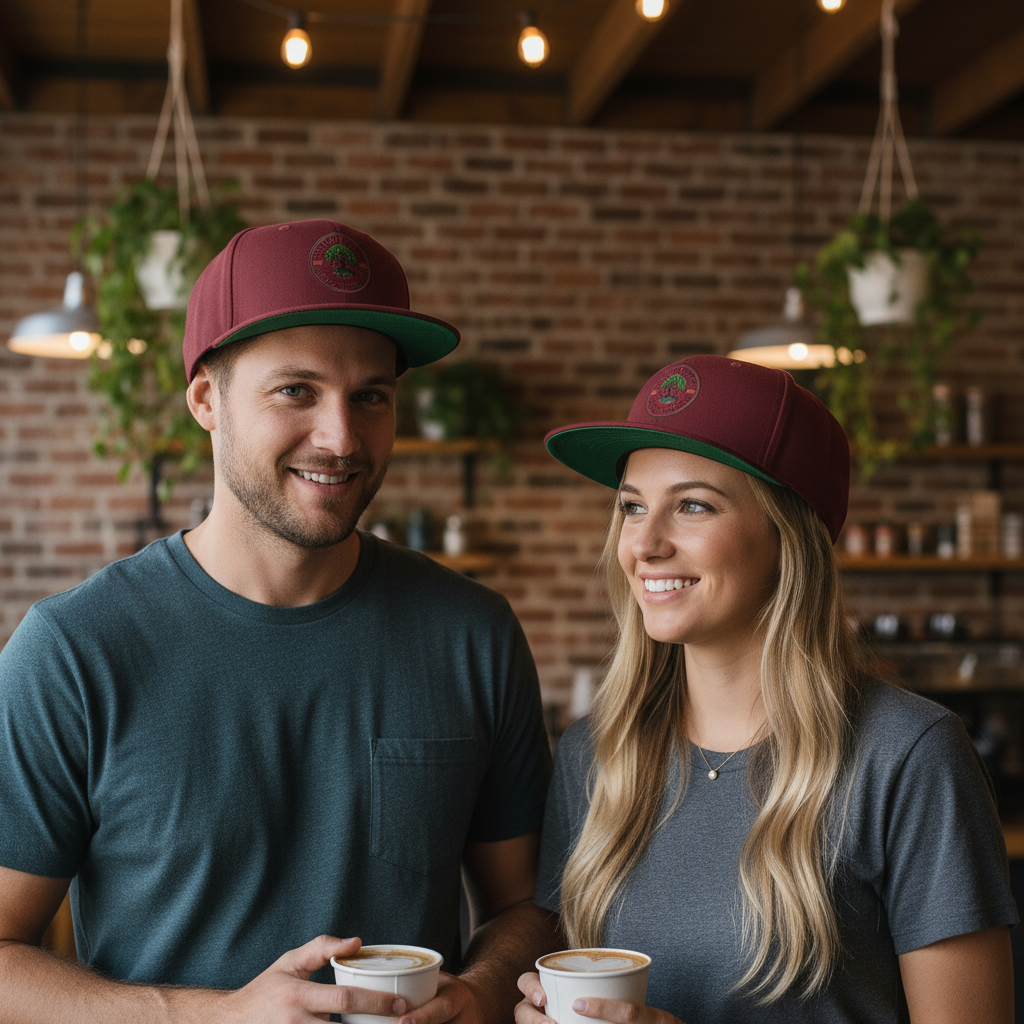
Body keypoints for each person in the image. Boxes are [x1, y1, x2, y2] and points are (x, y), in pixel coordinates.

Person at [0, 219, 557, 1023]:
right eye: (296, 390)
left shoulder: (472, 633)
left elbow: (525, 910)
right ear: (206, 400)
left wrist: (479, 991)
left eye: (371, 396)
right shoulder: (74, 650)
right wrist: (212, 1015)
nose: (339, 438)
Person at [516, 355, 1017, 1024]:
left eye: (693, 504)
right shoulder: (596, 757)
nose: (645, 544)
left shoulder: (908, 756)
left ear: (788, 536)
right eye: (633, 507)